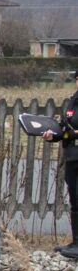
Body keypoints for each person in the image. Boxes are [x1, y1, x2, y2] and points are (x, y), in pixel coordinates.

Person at [43, 69, 78, 258]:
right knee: (75, 200)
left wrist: (69, 134)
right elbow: (66, 128)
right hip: (72, 157)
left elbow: (71, 132)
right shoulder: (73, 101)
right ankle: (76, 243)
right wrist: (54, 135)